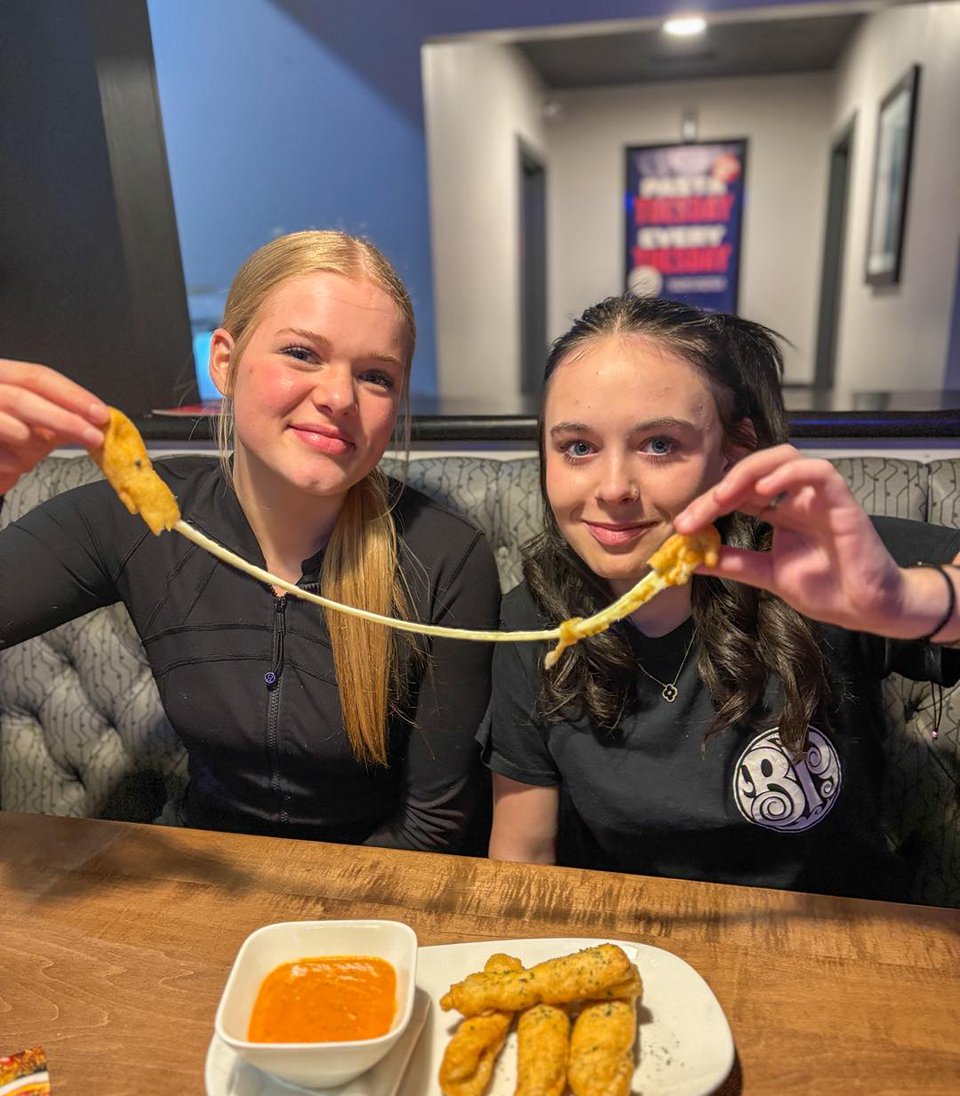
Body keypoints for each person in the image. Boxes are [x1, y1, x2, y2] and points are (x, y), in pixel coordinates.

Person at [0, 230, 500, 851]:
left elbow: (434, 823)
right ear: (224, 362)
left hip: (372, 899)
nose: (339, 397)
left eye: (376, 376)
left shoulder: (447, 556)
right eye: (302, 353)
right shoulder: (138, 512)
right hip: (202, 878)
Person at [483, 293, 960, 901]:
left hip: (842, 949)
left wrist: (905, 601)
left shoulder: (813, 566)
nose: (612, 489)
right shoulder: (533, 620)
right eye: (578, 447)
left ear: (734, 449)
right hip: (642, 954)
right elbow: (523, 857)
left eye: (659, 445)